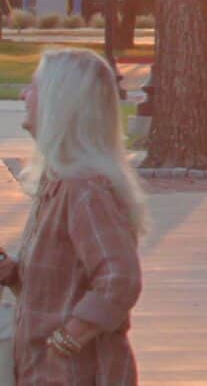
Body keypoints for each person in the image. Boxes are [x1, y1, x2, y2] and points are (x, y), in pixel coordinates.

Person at [0, 48, 144, 383]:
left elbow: (120, 279)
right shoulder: (60, 181)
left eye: (33, 87)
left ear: (58, 103)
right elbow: (66, 280)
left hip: (74, 374)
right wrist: (15, 272)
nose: (23, 94)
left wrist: (69, 337)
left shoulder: (84, 189)